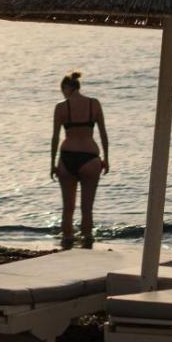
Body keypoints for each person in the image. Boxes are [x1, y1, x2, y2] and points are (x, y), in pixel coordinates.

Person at [49, 70, 109, 247]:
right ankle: (87, 242)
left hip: (67, 157)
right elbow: (103, 134)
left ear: (67, 88)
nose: (62, 93)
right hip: (90, 157)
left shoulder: (61, 107)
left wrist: (52, 164)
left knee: (68, 208)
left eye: (62, 89)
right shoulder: (94, 104)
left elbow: (55, 137)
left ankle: (67, 242)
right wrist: (106, 158)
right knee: (87, 208)